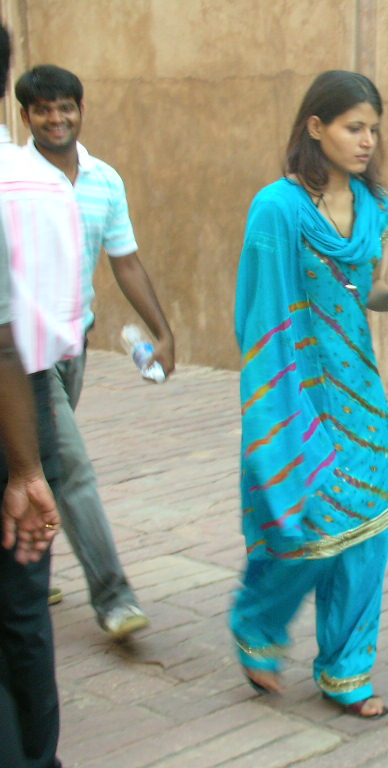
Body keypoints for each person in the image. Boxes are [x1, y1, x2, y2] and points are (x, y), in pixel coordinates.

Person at [230, 70, 388, 719]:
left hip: (357, 389)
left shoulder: (375, 206)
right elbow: (260, 311)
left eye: (373, 128)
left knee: (370, 521)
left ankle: (348, 670)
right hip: (294, 390)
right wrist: (272, 404)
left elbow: (360, 289)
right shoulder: (277, 208)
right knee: (305, 519)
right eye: (354, 127)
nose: (367, 140)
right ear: (315, 127)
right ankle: (257, 622)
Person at [14, 64, 176, 638]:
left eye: (65, 107)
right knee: (71, 467)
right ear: (26, 116)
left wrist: (162, 330)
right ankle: (114, 597)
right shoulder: (14, 179)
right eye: (43, 109)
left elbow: (124, 260)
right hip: (22, 355)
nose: (56, 119)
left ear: (81, 110)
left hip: (72, 346)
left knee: (37, 462)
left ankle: (21, 573)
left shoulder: (105, 180)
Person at [0, 22, 84, 768]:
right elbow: (56, 327)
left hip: (17, 413)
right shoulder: (43, 186)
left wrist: (25, 470)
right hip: (30, 401)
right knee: (23, 603)